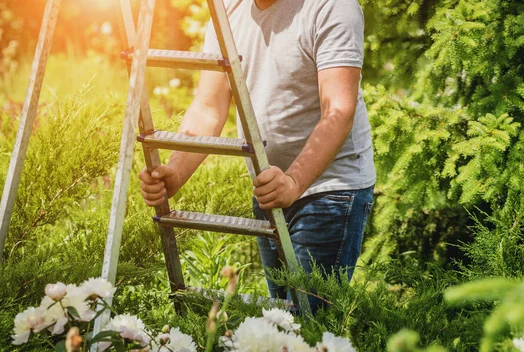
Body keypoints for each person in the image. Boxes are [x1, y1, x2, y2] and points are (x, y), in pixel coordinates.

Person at [138, 0, 375, 312]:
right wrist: (176, 170)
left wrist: (294, 181)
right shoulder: (228, 10)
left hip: (329, 190)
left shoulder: (332, 7)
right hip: (270, 188)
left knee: (307, 324)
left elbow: (338, 110)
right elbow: (209, 106)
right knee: (279, 321)